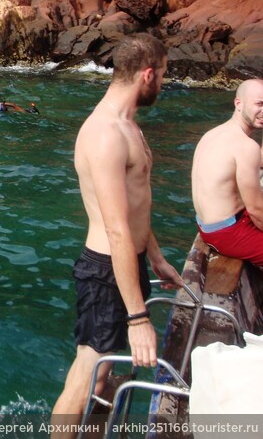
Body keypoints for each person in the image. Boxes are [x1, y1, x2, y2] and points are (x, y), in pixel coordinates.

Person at [51, 34, 183, 437]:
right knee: (87, 373)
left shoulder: (128, 126)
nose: (162, 82)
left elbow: (134, 209)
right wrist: (139, 317)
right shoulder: (105, 134)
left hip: (129, 261)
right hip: (107, 269)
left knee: (105, 373)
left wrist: (156, 257)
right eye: (161, 74)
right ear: (146, 75)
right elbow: (115, 228)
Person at [191, 78, 263, 266]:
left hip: (209, 225)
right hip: (228, 232)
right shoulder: (246, 146)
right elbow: (256, 209)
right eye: (259, 104)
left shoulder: (214, 133)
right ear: (238, 103)